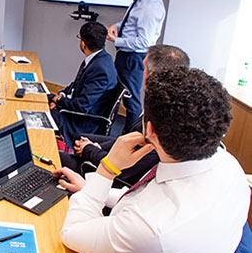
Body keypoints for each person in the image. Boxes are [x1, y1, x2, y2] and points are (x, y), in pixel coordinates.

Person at [56, 67, 249, 253]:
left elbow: (70, 233)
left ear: (150, 130)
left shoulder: (153, 229)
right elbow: (145, 202)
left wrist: (107, 170)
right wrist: (92, 190)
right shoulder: (230, 168)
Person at [60, 44, 190, 187]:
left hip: (112, 179)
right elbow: (129, 140)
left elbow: (125, 168)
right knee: (80, 138)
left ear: (151, 75)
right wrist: (94, 146)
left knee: (54, 157)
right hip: (113, 158)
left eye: (143, 67)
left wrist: (91, 150)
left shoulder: (162, 120)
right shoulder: (167, 104)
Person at [107, 0, 166, 129]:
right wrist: (116, 27)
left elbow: (145, 41)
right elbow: (132, 23)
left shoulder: (150, 6)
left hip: (133, 58)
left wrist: (115, 40)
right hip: (125, 56)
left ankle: (129, 137)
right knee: (118, 94)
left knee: (131, 100)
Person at [48, 22, 117, 147]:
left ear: (83, 43)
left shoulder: (100, 69)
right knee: (43, 98)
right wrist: (61, 95)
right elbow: (76, 84)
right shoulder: (100, 59)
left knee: (37, 113)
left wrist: (59, 101)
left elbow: (81, 106)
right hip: (76, 109)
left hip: (81, 121)